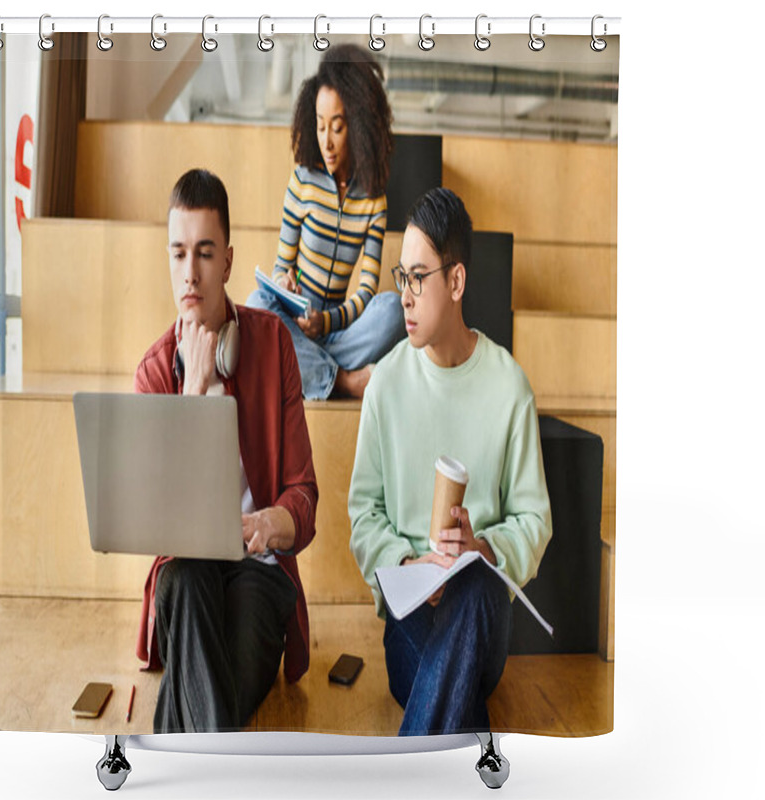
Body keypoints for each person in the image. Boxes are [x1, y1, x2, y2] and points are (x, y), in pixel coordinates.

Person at [348, 188, 553, 736]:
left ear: (455, 282)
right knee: (444, 687)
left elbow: (535, 520)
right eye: (401, 278)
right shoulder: (385, 383)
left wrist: (483, 548)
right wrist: (409, 567)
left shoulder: (509, 385)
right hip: (410, 616)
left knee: (477, 588)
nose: (405, 298)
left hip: (481, 617)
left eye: (419, 278)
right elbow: (363, 515)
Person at [134, 169, 318, 733]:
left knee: (203, 683)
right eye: (179, 253)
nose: (190, 273)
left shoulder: (272, 343)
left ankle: (173, 757)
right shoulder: (155, 371)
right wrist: (191, 394)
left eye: (205, 254)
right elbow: (153, 521)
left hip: (258, 573)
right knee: (185, 579)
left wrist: (267, 523)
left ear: (229, 262)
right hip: (186, 574)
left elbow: (303, 497)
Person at [247, 44, 405, 400]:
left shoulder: (374, 199)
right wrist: (283, 283)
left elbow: (366, 290)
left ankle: (305, 370)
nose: (327, 143)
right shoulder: (302, 180)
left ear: (360, 125)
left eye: (337, 127)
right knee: (257, 304)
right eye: (320, 127)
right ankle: (344, 381)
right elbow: (280, 267)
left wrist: (327, 322)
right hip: (296, 323)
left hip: (339, 329)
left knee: (393, 308)